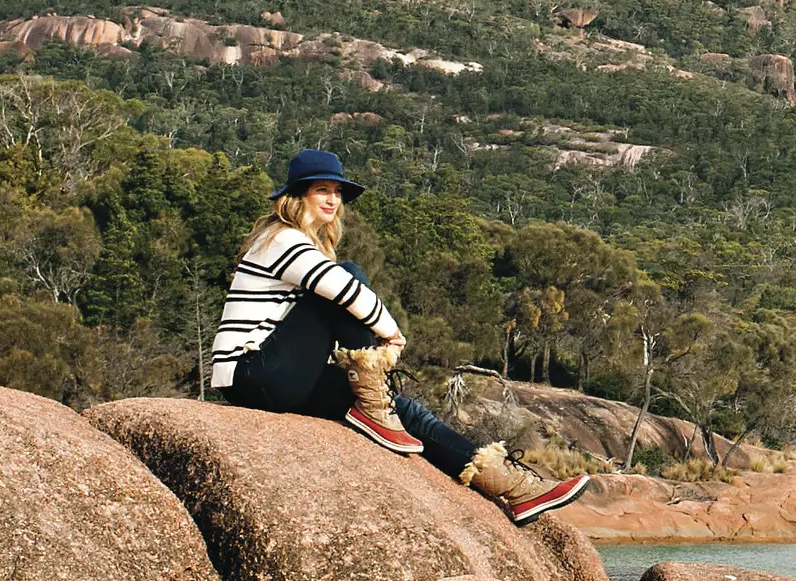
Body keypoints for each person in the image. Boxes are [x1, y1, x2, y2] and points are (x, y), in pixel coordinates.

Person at [208, 148, 588, 525]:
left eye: (337, 192)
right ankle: (375, 407)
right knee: (350, 274)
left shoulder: (300, 243)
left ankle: (510, 487)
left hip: (276, 376)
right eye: (321, 190)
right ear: (296, 196)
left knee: (406, 411)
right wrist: (391, 334)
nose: (332, 199)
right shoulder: (281, 239)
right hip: (251, 372)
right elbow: (344, 290)